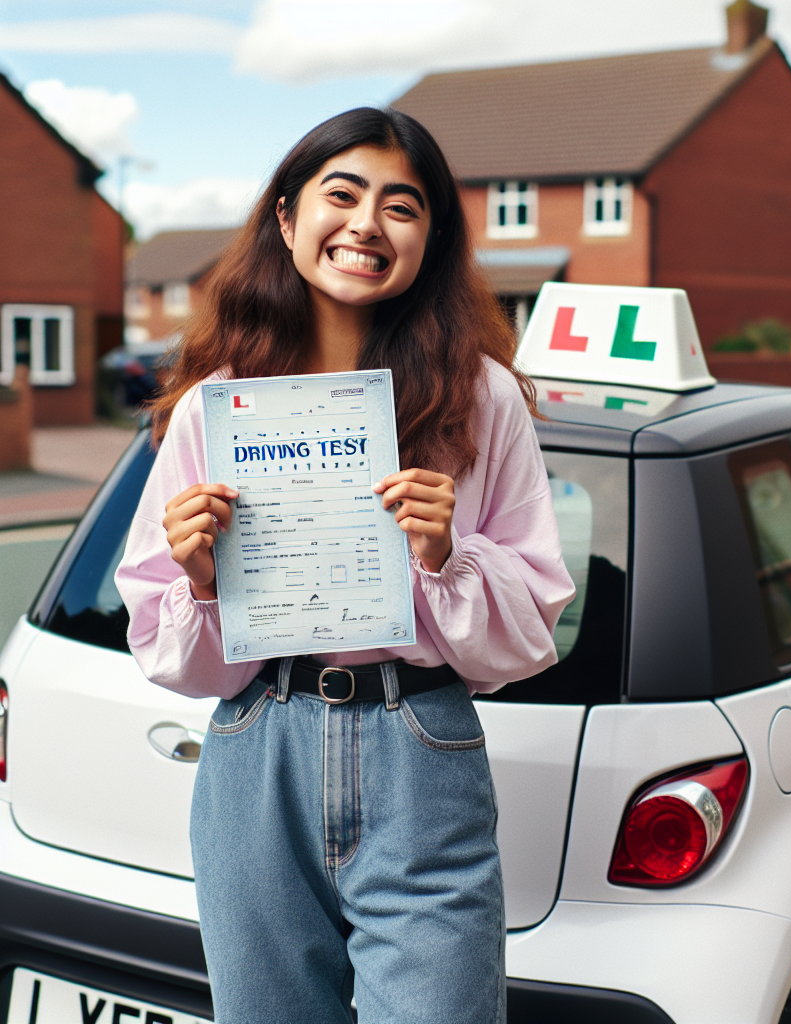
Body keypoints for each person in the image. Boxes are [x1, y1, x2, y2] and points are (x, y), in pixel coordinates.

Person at [115, 107, 575, 1024]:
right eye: (343, 193)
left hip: (422, 748)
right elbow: (164, 647)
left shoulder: (481, 399)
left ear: (429, 242)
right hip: (257, 749)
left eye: (401, 206)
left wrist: (449, 556)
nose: (367, 223)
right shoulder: (217, 407)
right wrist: (204, 583)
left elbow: (530, 630)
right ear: (287, 220)